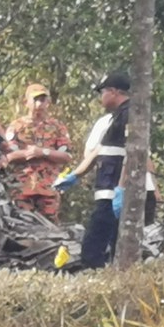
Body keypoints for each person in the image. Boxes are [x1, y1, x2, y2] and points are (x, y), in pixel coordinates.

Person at [54, 71, 132, 268]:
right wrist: (75, 175)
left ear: (113, 92)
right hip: (107, 191)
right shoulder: (115, 118)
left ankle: (94, 276)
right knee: (105, 239)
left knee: (95, 243)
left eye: (103, 92)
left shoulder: (130, 115)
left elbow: (133, 154)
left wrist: (121, 187)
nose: (101, 98)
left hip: (114, 192)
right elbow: (99, 150)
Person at [4, 83, 72, 220]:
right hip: (22, 187)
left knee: (49, 227)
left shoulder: (57, 127)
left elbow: (66, 156)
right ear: (26, 102)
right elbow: (7, 155)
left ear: (48, 102)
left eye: (43, 100)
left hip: (48, 188)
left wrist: (43, 152)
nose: (39, 104)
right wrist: (26, 154)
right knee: (22, 226)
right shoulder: (16, 126)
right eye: (35, 99)